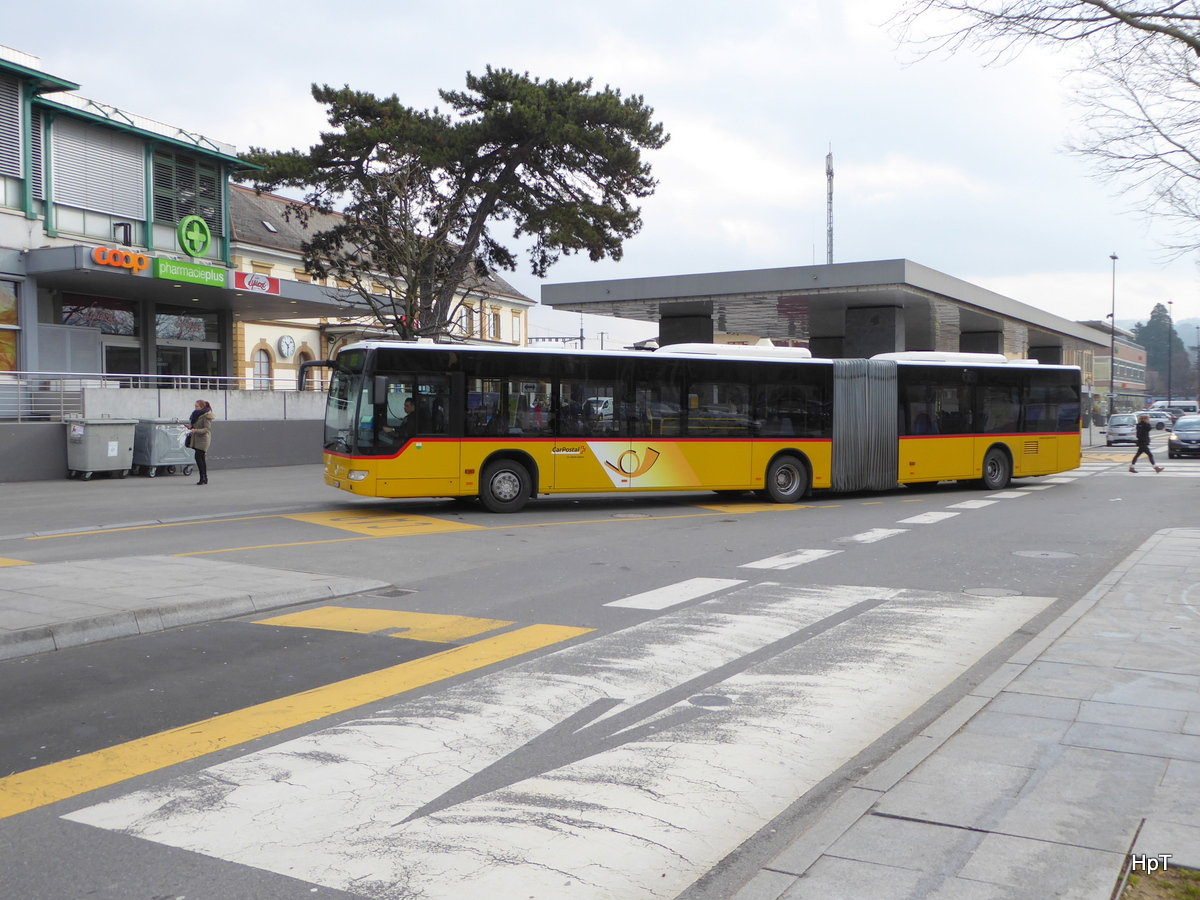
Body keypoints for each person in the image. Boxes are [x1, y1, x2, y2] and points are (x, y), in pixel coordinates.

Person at [187, 399, 214, 485]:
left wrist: (196, 430)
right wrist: (190, 427)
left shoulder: (206, 416)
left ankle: (202, 477)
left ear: (202, 407)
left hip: (203, 439)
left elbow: (207, 429)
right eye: (195, 406)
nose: (195, 408)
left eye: (197, 406)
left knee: (199, 457)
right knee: (200, 458)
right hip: (197, 438)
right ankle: (204, 477)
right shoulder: (195, 415)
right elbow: (195, 426)